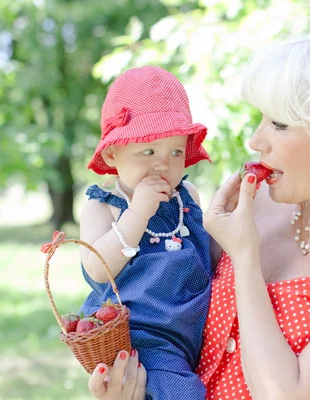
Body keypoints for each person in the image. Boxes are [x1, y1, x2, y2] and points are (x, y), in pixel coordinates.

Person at [87, 4, 310, 399]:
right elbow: (170, 312)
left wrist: (245, 258)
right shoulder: (258, 204)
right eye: (261, 118)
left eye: (279, 124)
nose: (255, 140)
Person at [79, 66, 219, 399]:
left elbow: (212, 253)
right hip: (144, 337)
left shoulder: (188, 196)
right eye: (148, 151)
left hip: (194, 327)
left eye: (176, 152)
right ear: (113, 153)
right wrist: (138, 213)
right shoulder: (105, 206)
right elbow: (97, 269)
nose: (164, 165)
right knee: (180, 392)